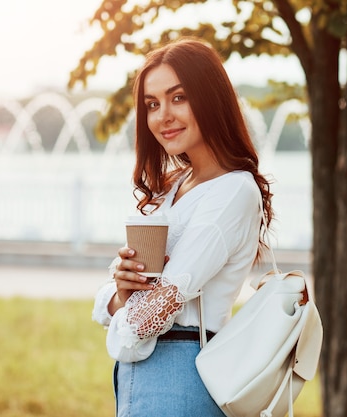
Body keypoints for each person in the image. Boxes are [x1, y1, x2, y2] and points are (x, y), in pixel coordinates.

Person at [91, 37, 274, 416]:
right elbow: (122, 305)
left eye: (178, 98)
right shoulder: (175, 187)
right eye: (152, 105)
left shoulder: (233, 190)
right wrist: (125, 289)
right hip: (140, 379)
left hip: (183, 374)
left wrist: (131, 307)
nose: (163, 117)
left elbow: (145, 320)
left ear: (209, 98)